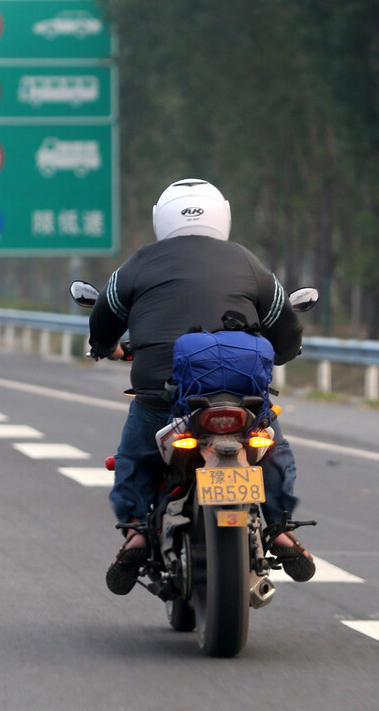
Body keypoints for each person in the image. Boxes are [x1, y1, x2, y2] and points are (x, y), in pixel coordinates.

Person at [87, 178, 314, 595]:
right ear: (222, 216)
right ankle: (279, 528)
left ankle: (137, 532)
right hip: (243, 394)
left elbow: (103, 315)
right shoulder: (248, 262)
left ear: (162, 219)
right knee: (273, 449)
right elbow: (286, 325)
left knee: (134, 457)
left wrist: (104, 347)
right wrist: (280, 353)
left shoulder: (139, 263)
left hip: (163, 394)